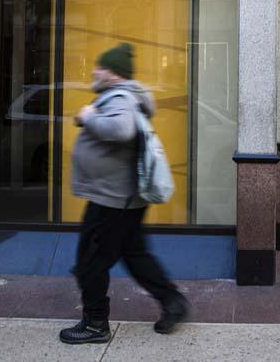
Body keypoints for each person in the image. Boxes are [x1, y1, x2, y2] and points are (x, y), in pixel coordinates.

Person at [59, 42, 189, 345]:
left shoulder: (120, 97)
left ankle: (95, 324)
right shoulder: (125, 95)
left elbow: (121, 130)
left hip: (113, 199)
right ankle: (172, 302)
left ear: (114, 73)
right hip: (123, 197)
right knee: (134, 254)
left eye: (100, 67)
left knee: (90, 261)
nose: (95, 71)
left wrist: (88, 116)